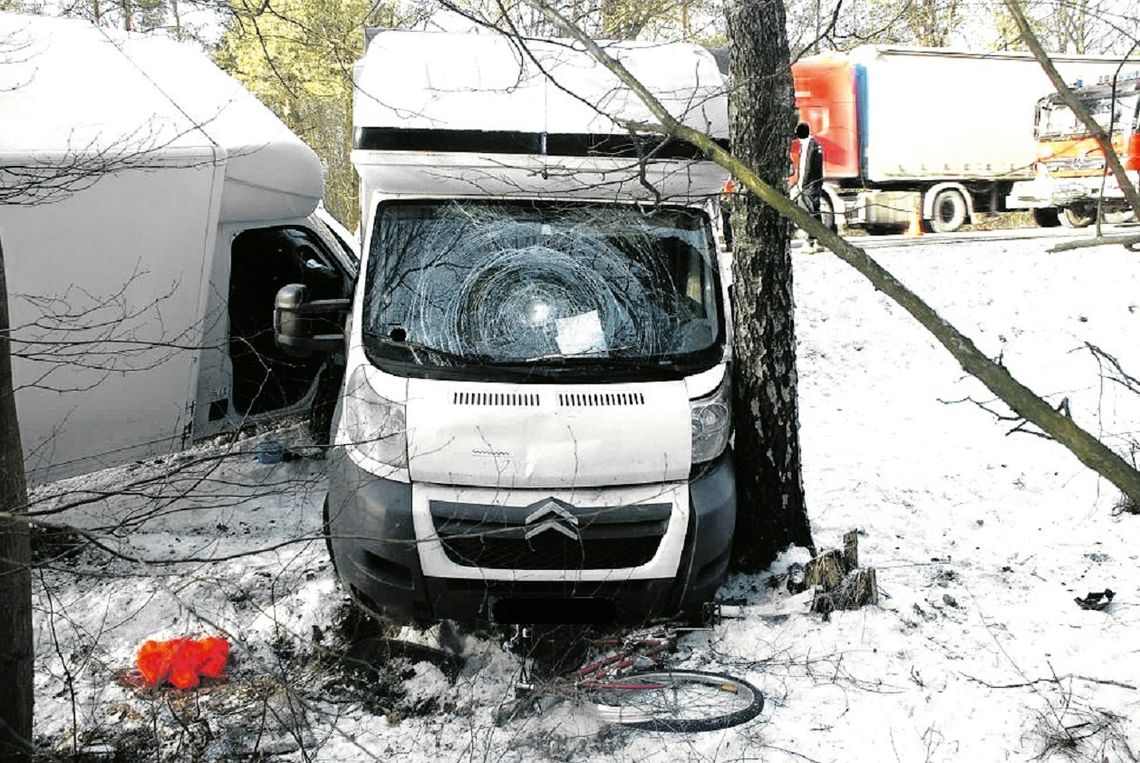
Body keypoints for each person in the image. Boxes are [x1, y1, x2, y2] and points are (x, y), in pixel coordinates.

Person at [791, 121, 824, 251]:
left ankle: (809, 242)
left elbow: (806, 167)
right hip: (816, 183)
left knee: (807, 212)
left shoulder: (808, 146)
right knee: (815, 212)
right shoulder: (816, 144)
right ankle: (820, 242)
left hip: (808, 184)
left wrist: (801, 184)